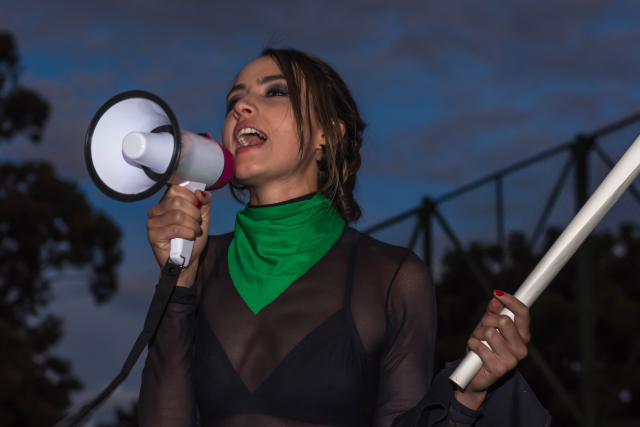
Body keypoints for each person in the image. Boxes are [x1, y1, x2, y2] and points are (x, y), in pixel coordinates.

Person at [138, 48, 550, 427]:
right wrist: (177, 284)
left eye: (275, 92)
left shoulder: (391, 277)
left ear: (329, 134)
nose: (241, 108)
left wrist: (469, 392)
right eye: (233, 103)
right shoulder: (197, 264)